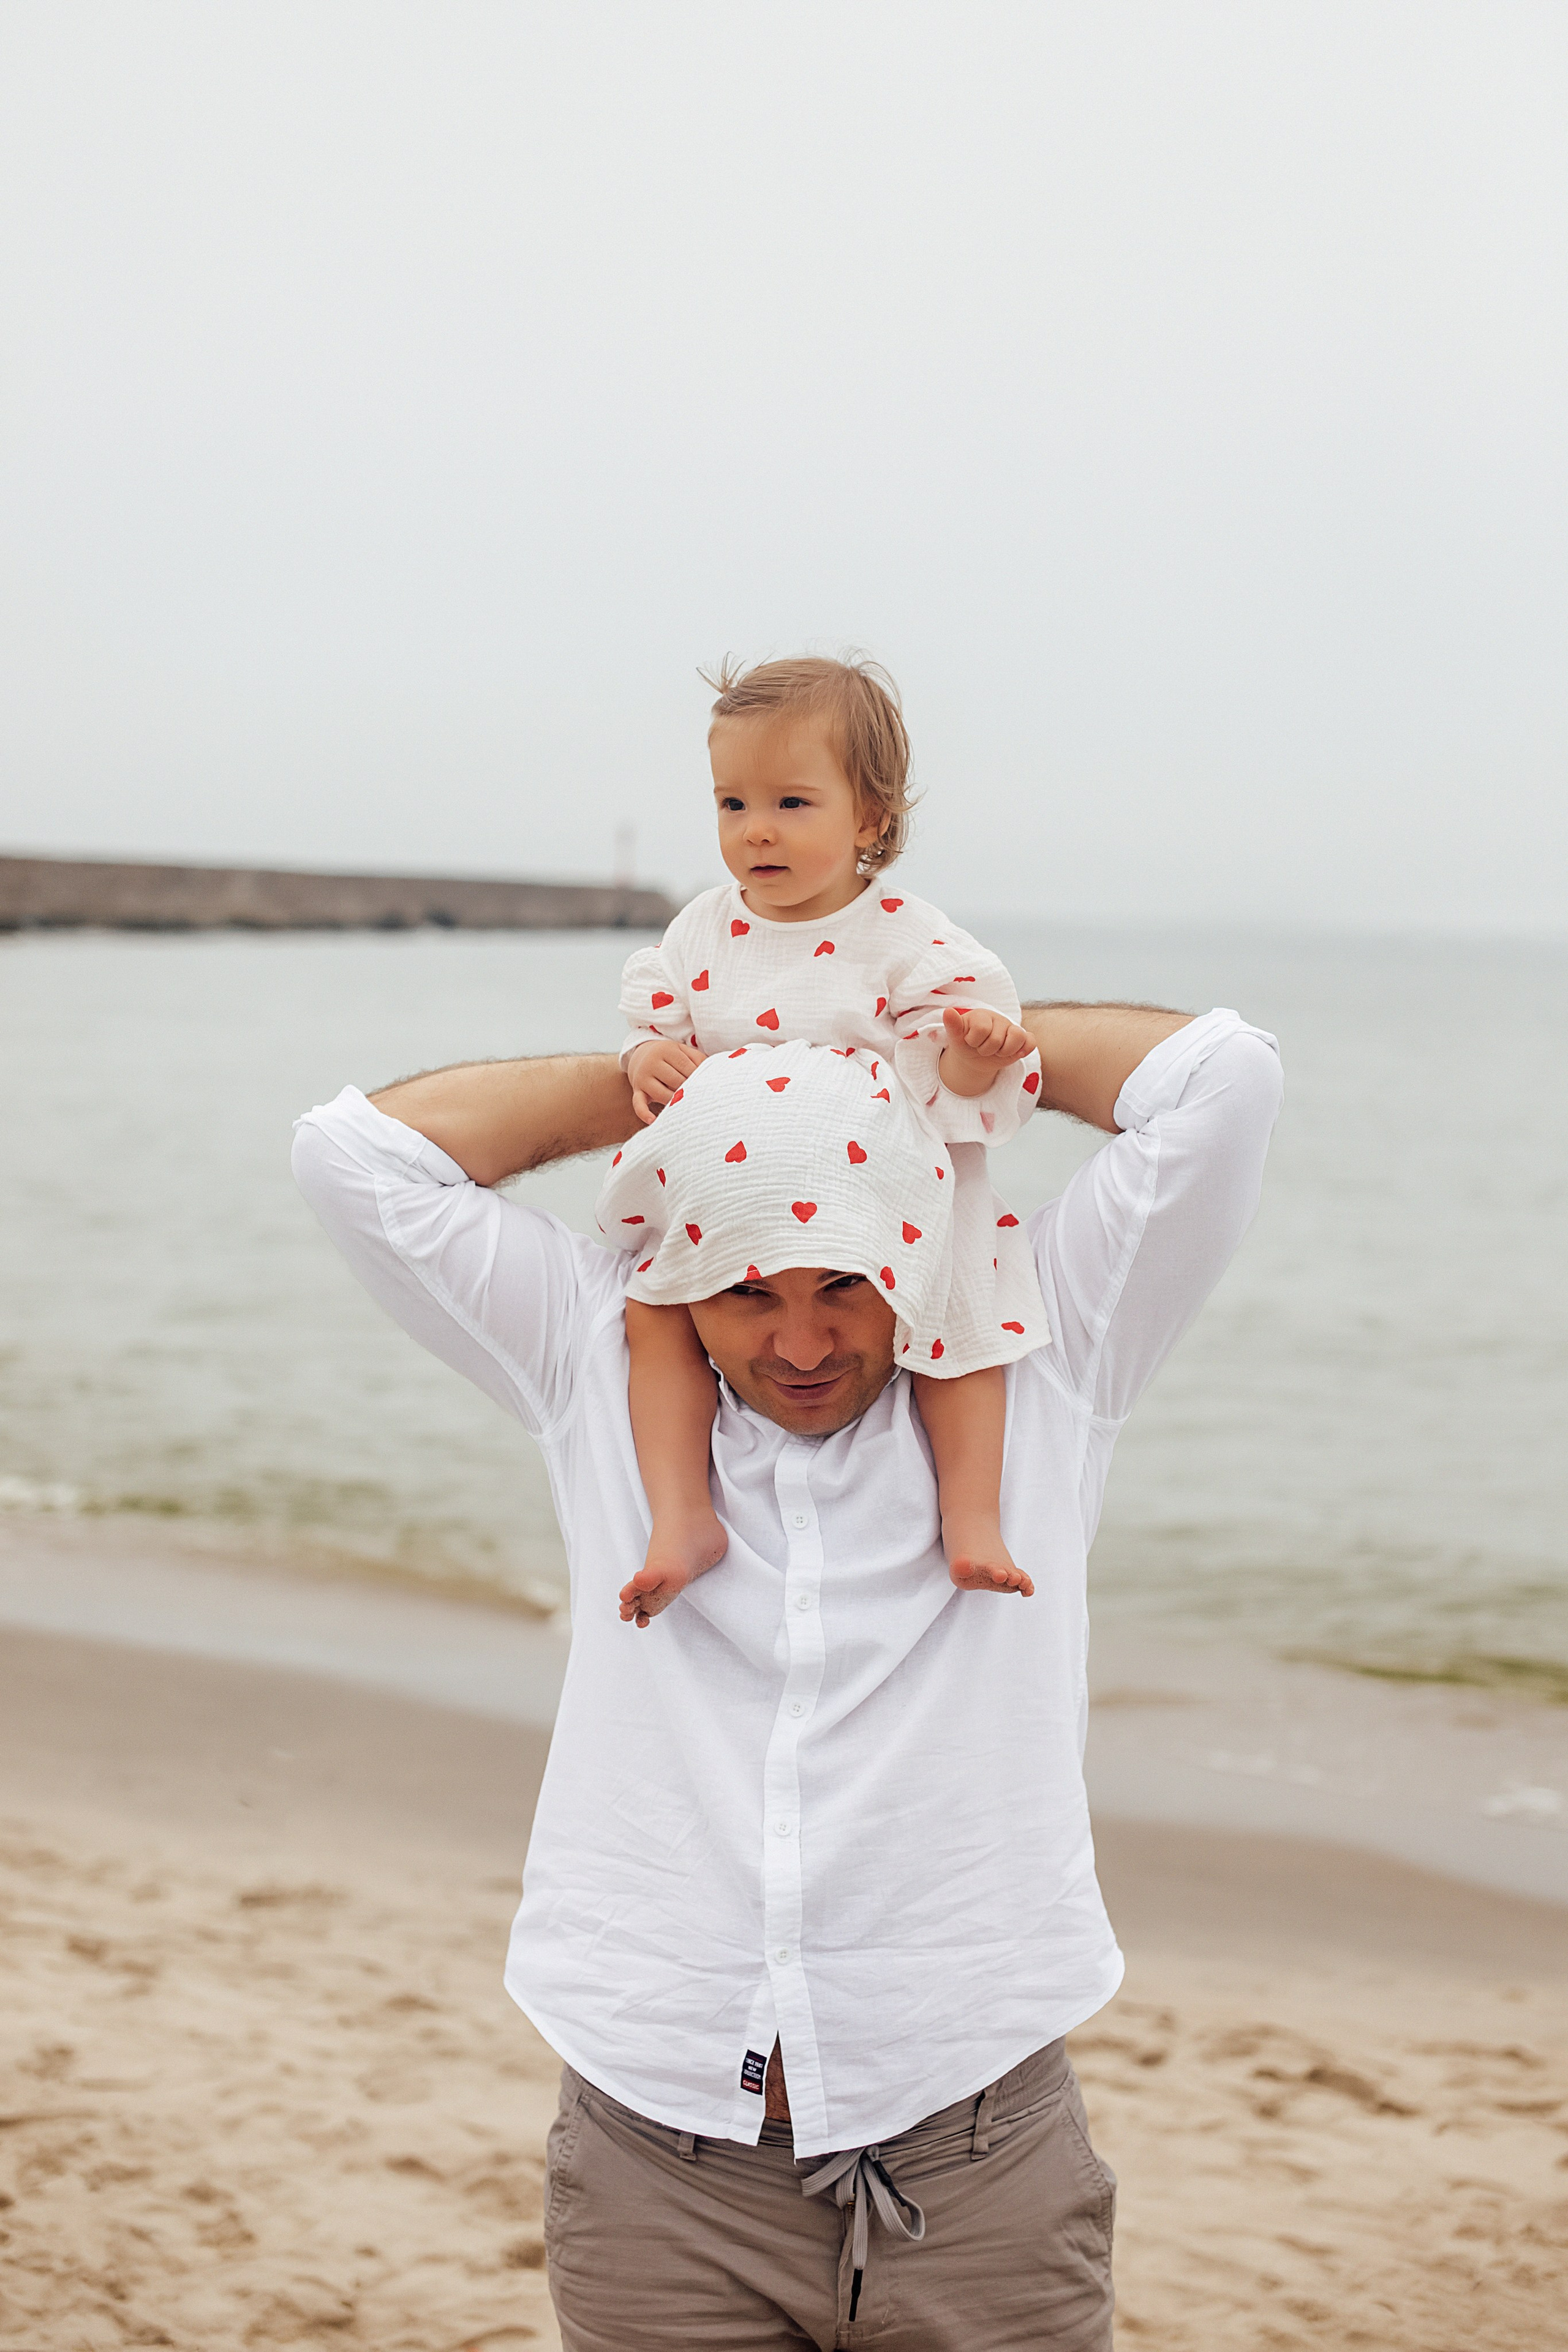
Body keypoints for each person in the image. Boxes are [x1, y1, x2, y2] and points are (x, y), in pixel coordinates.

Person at [292, 995, 1282, 2350]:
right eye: (747, 1291)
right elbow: (352, 1157)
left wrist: (913, 1063)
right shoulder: (596, 1361)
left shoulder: (1043, 1356)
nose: (803, 1347)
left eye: (843, 1288)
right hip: (661, 2169)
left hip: (976, 2154)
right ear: (678, 1279)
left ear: (914, 1255)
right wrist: (662, 1087)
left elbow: (1222, 1082)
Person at [609, 654, 1044, 1625]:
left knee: (961, 1312)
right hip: (736, 1204)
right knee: (657, 1314)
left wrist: (977, 1055)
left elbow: (946, 1085)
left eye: (792, 802)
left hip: (887, 1190)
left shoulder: (903, 936)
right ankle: (682, 1515)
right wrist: (647, 1060)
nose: (755, 829)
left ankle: (971, 1518)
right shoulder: (700, 931)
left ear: (871, 820)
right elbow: (659, 1023)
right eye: (732, 803)